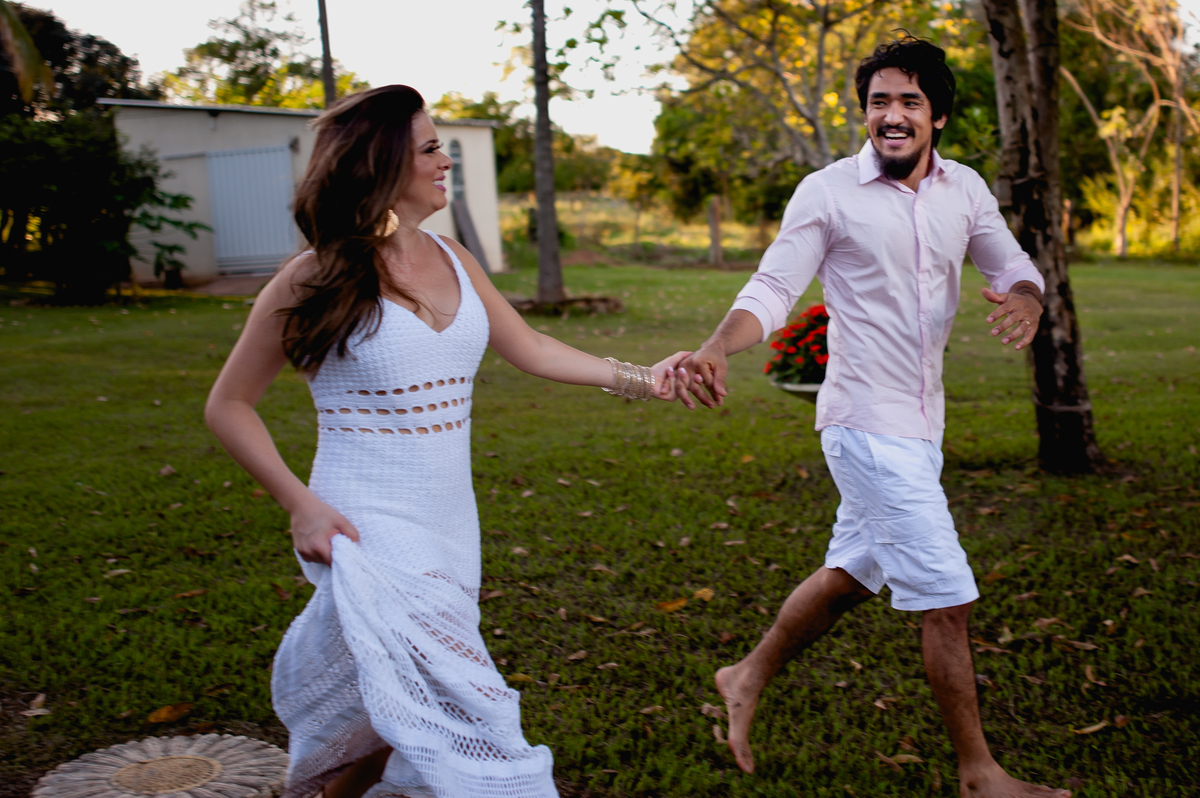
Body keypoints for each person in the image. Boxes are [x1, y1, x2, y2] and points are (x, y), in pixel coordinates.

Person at [205, 85, 679, 798]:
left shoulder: (453, 256)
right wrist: (300, 505)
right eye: (430, 148)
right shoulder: (315, 274)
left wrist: (647, 378)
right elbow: (228, 404)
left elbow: (532, 348)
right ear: (382, 164)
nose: (445, 160)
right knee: (466, 699)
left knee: (393, 698)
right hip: (364, 520)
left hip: (450, 522)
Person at [668, 39, 1071, 798]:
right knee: (948, 596)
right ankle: (979, 774)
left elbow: (1012, 263)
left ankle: (745, 674)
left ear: (937, 116)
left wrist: (1026, 296)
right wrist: (718, 344)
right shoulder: (827, 192)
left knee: (851, 576)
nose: (892, 115)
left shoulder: (964, 189)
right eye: (879, 101)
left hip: (923, 426)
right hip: (862, 426)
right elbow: (773, 288)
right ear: (865, 113)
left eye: (910, 101)